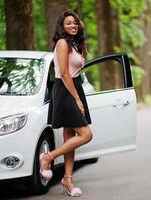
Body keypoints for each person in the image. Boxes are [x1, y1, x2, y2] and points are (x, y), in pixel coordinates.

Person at [42, 10, 93, 197]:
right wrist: (77, 99)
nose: (73, 25)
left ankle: (68, 181)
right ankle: (48, 157)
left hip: (74, 87)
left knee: (70, 137)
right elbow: (64, 73)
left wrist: (79, 95)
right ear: (61, 27)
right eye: (68, 23)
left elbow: (75, 71)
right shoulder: (63, 43)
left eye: (75, 23)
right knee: (86, 134)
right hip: (65, 90)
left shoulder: (76, 44)